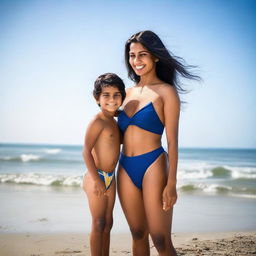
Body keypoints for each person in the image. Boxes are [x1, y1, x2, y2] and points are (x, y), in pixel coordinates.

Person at [117, 30, 199, 256]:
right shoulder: (125, 93)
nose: (136, 61)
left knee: (161, 240)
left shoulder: (167, 92)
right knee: (137, 235)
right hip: (124, 167)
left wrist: (171, 183)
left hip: (153, 164)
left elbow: (172, 141)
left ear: (155, 56)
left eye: (142, 54)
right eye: (132, 55)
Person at [82, 73, 126, 256]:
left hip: (111, 177)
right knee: (98, 223)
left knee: (108, 223)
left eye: (116, 95)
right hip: (96, 177)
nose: (112, 99)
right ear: (97, 98)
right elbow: (86, 151)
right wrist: (97, 180)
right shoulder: (98, 121)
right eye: (106, 95)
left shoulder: (116, 122)